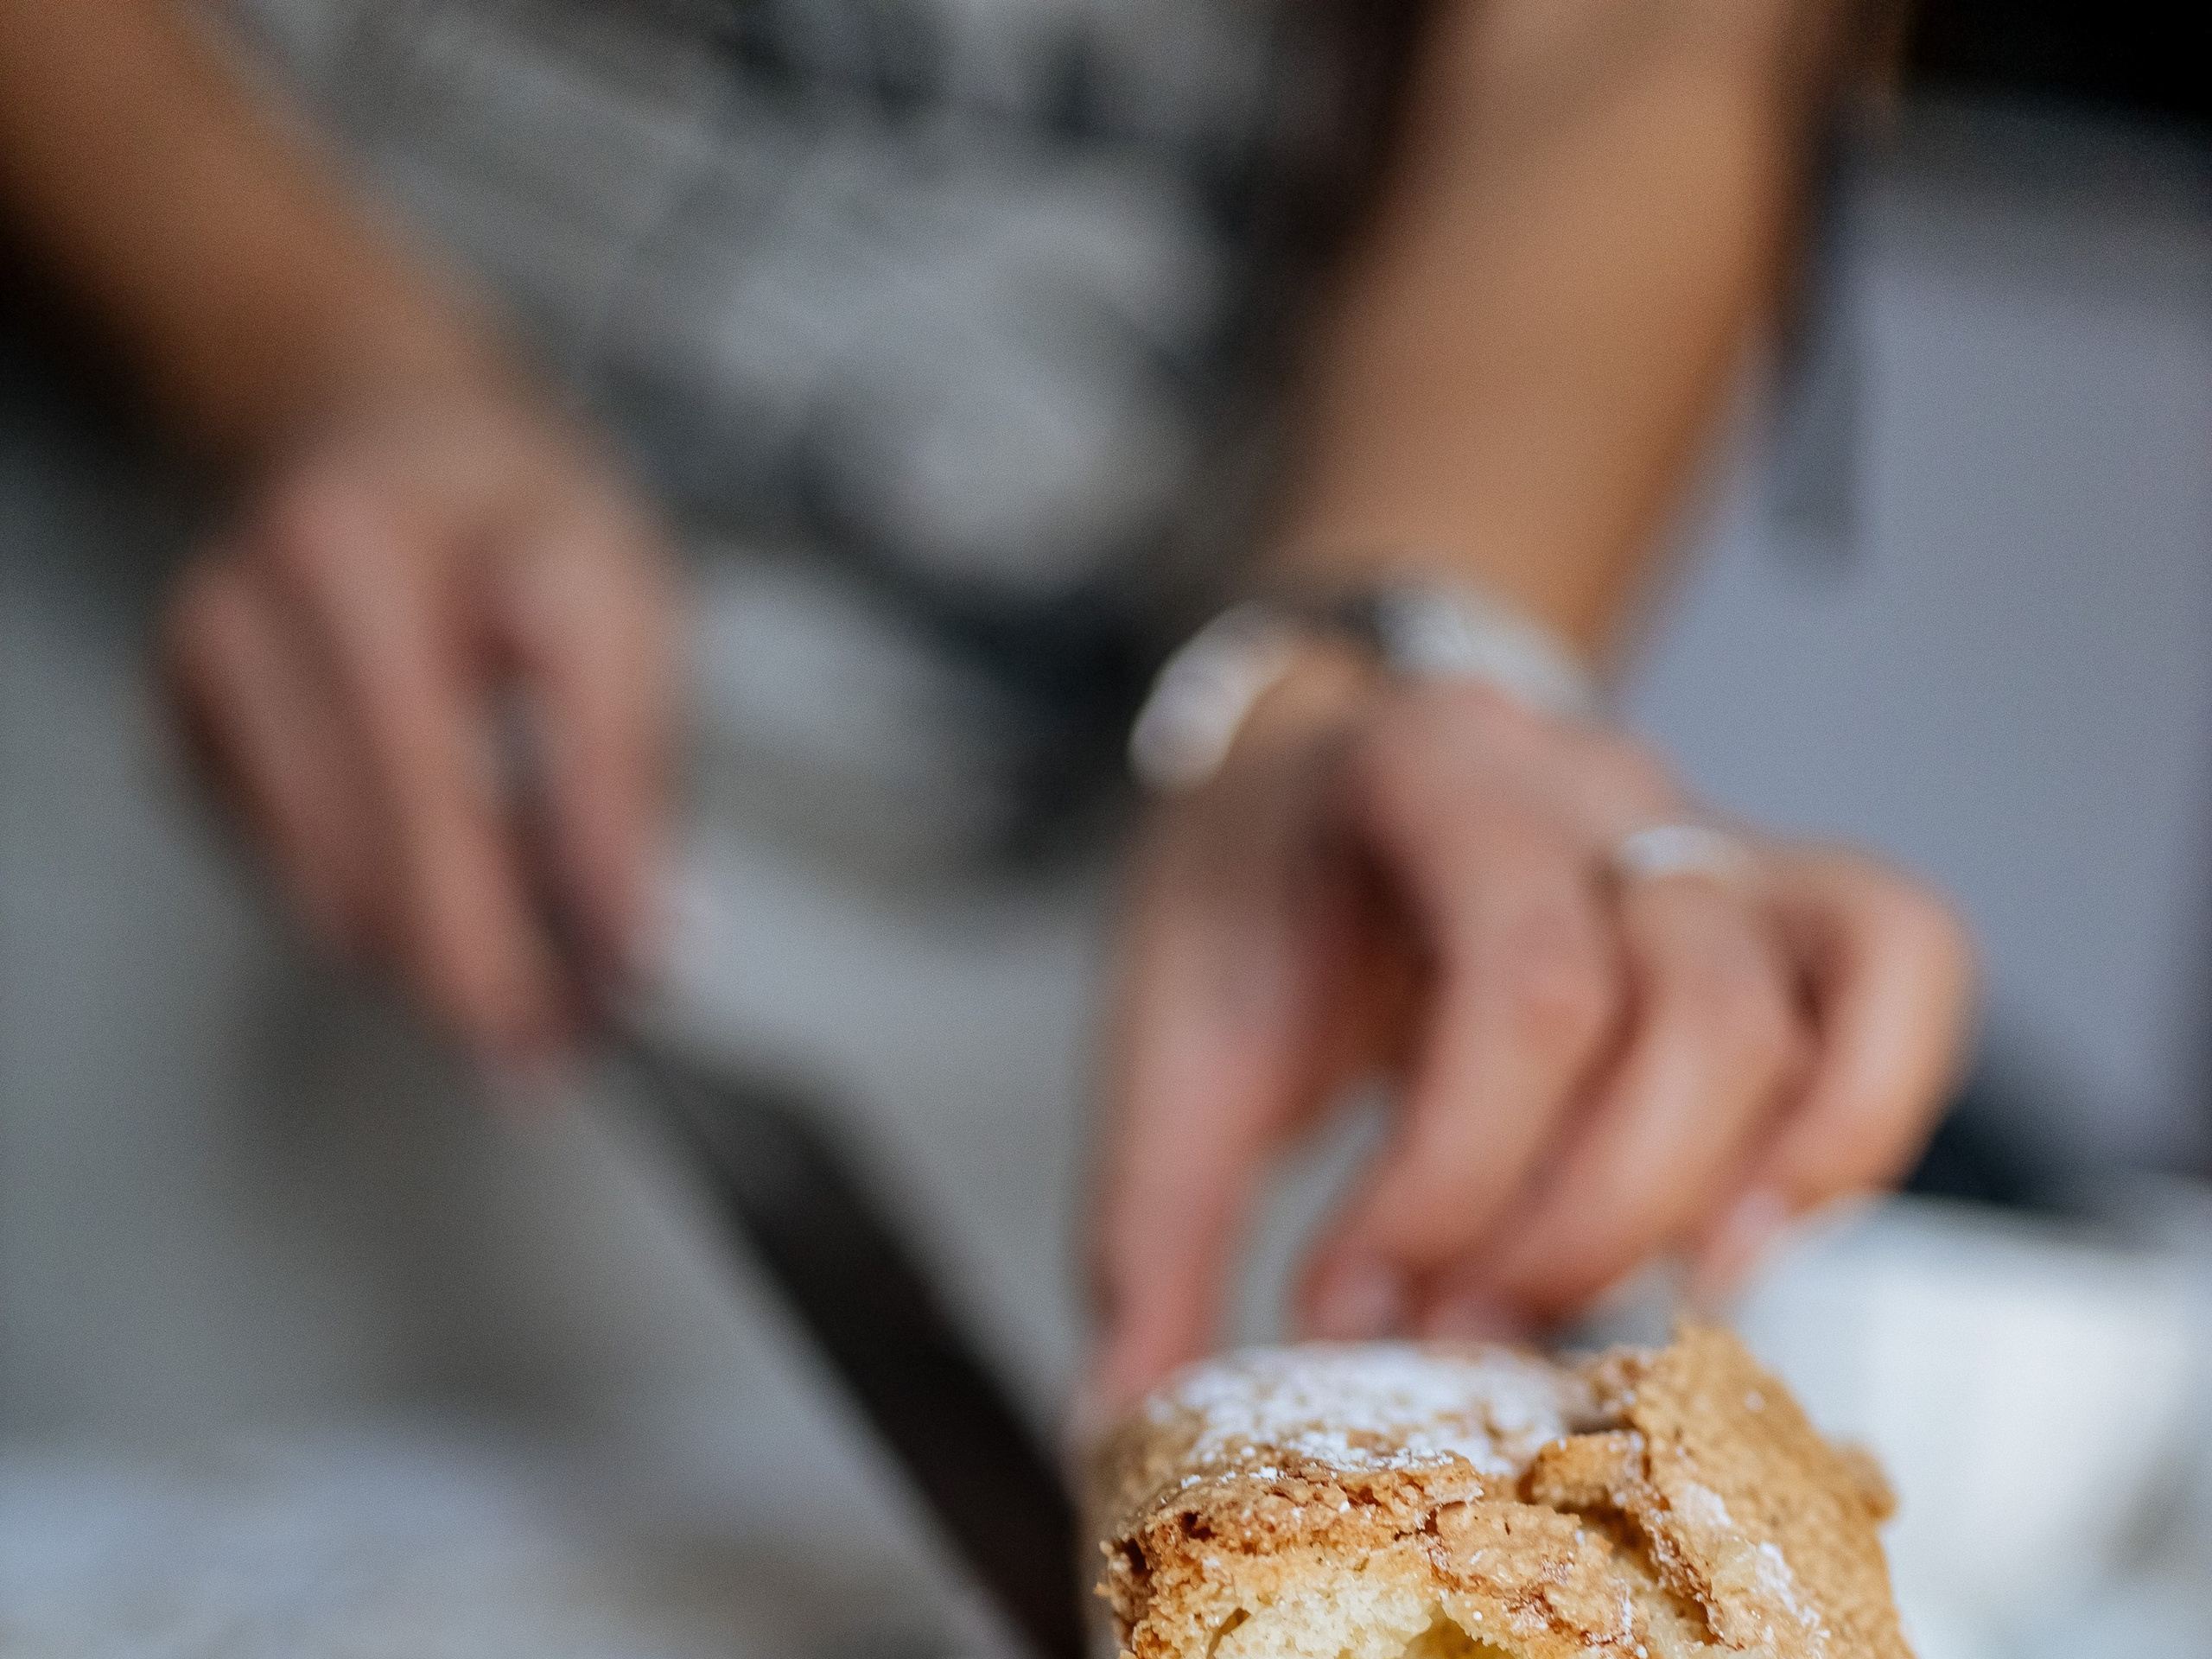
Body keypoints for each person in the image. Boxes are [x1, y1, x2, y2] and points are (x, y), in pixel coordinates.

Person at [0, 0, 1972, 1419]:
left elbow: (1640, 46)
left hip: (1108, 911)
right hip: (192, 738)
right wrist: (302, 353)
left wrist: (1354, 661)